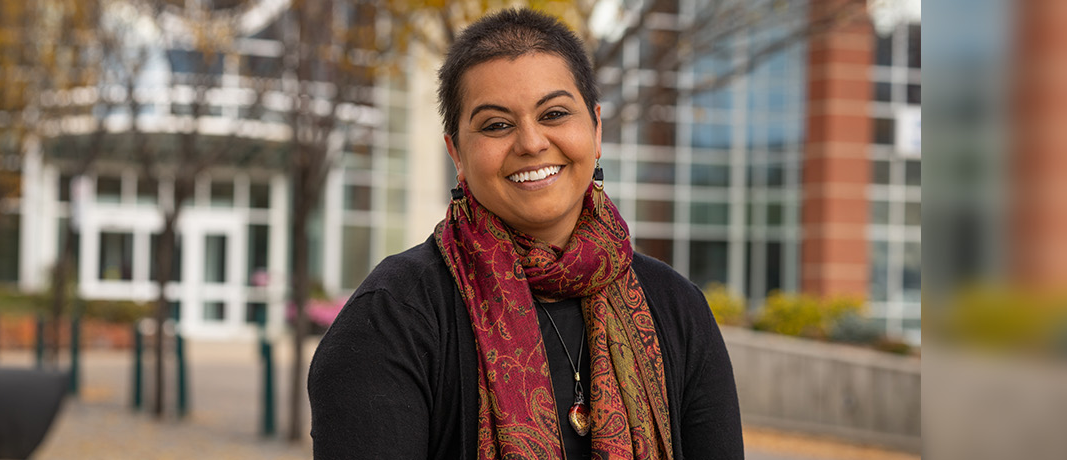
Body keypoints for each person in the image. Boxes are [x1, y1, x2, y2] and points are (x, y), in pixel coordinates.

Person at [308, 8, 742, 460]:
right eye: (497, 124)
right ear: (456, 151)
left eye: (554, 113)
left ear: (596, 130)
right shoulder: (393, 317)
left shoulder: (676, 308)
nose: (532, 142)